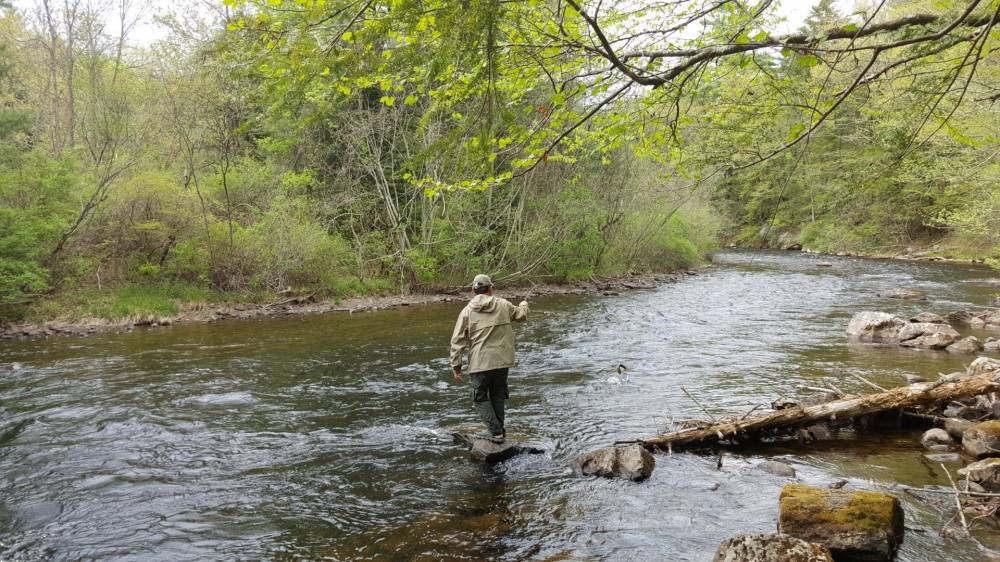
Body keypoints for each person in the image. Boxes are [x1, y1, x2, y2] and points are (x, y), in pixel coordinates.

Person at [449, 274, 529, 443]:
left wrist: (457, 367)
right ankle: (500, 431)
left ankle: (496, 432)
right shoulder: (503, 304)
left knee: (479, 397)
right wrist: (524, 304)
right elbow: (521, 316)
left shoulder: (467, 311)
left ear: (473, 291)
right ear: (491, 288)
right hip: (502, 360)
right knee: (498, 394)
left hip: (480, 363)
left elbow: (457, 341)